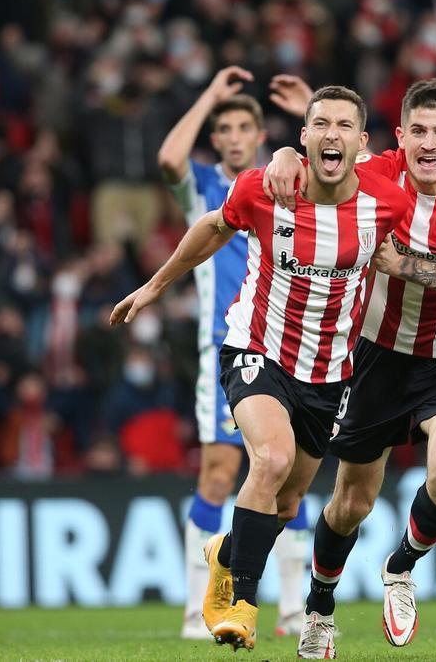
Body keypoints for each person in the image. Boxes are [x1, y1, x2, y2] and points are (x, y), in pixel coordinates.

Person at [111, 85, 412, 653]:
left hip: (327, 374)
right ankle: (240, 604)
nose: (331, 134)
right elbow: (212, 227)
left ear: (362, 143)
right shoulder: (265, 186)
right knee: (267, 459)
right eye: (319, 123)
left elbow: (418, 185)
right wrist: (154, 286)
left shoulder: (386, 202)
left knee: (289, 503)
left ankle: (226, 554)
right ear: (301, 137)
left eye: (344, 125)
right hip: (256, 347)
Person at [264, 77, 436, 657]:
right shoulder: (376, 173)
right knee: (351, 503)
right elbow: (313, 162)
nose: (429, 144)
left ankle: (400, 568)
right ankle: (319, 610)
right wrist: (282, 153)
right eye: (418, 132)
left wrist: (400, 262)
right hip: (377, 354)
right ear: (400, 137)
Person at [155, 66, 311, 640]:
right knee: (219, 473)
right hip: (225, 348)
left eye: (246, 125)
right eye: (227, 127)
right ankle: (198, 610)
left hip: (291, 344)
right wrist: (208, 97)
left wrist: (306, 112)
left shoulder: (284, 179)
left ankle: (293, 611)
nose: (237, 135)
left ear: (259, 132)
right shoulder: (202, 185)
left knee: (291, 475)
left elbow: (342, 161)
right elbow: (169, 161)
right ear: (216, 137)